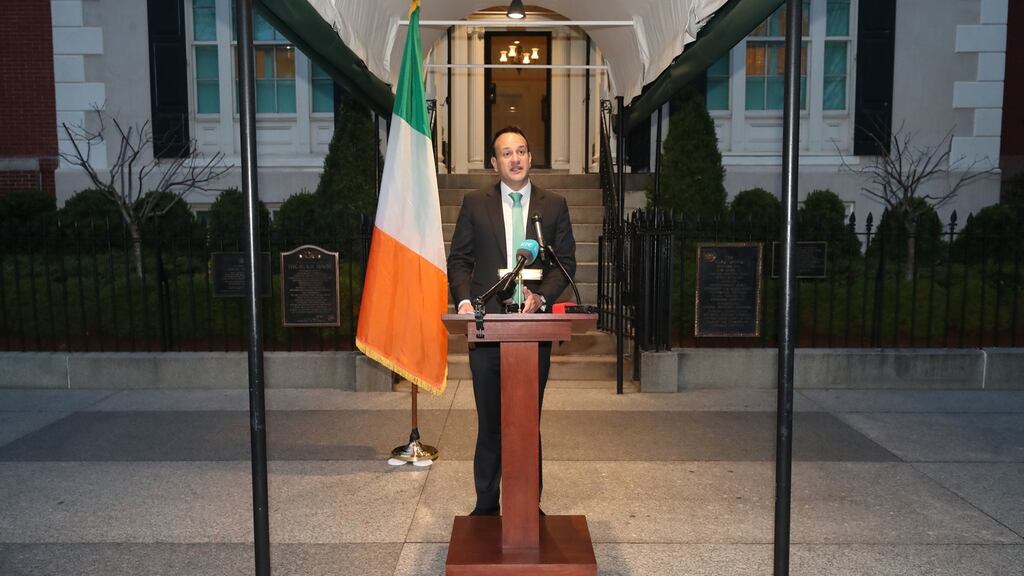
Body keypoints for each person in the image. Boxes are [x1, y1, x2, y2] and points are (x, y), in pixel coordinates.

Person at [447, 126, 576, 516]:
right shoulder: (474, 203)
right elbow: (459, 261)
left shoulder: (553, 205)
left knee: (525, 421)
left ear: (530, 158)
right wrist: (467, 301)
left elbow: (564, 264)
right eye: (507, 153)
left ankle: (525, 507)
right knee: (490, 422)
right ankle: (486, 506)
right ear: (494, 163)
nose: (515, 159)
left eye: (521, 151)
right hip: (487, 327)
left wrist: (543, 298)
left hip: (532, 330)